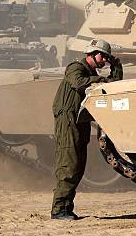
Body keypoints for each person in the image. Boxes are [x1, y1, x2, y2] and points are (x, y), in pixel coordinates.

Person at [50, 39, 123, 220]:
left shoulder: (90, 73)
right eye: (102, 56)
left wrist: (116, 67)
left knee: (77, 167)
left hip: (79, 124)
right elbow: (79, 82)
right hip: (68, 123)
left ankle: (66, 207)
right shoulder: (76, 68)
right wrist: (101, 78)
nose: (104, 60)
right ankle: (59, 209)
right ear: (92, 54)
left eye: (107, 57)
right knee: (69, 166)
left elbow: (113, 86)